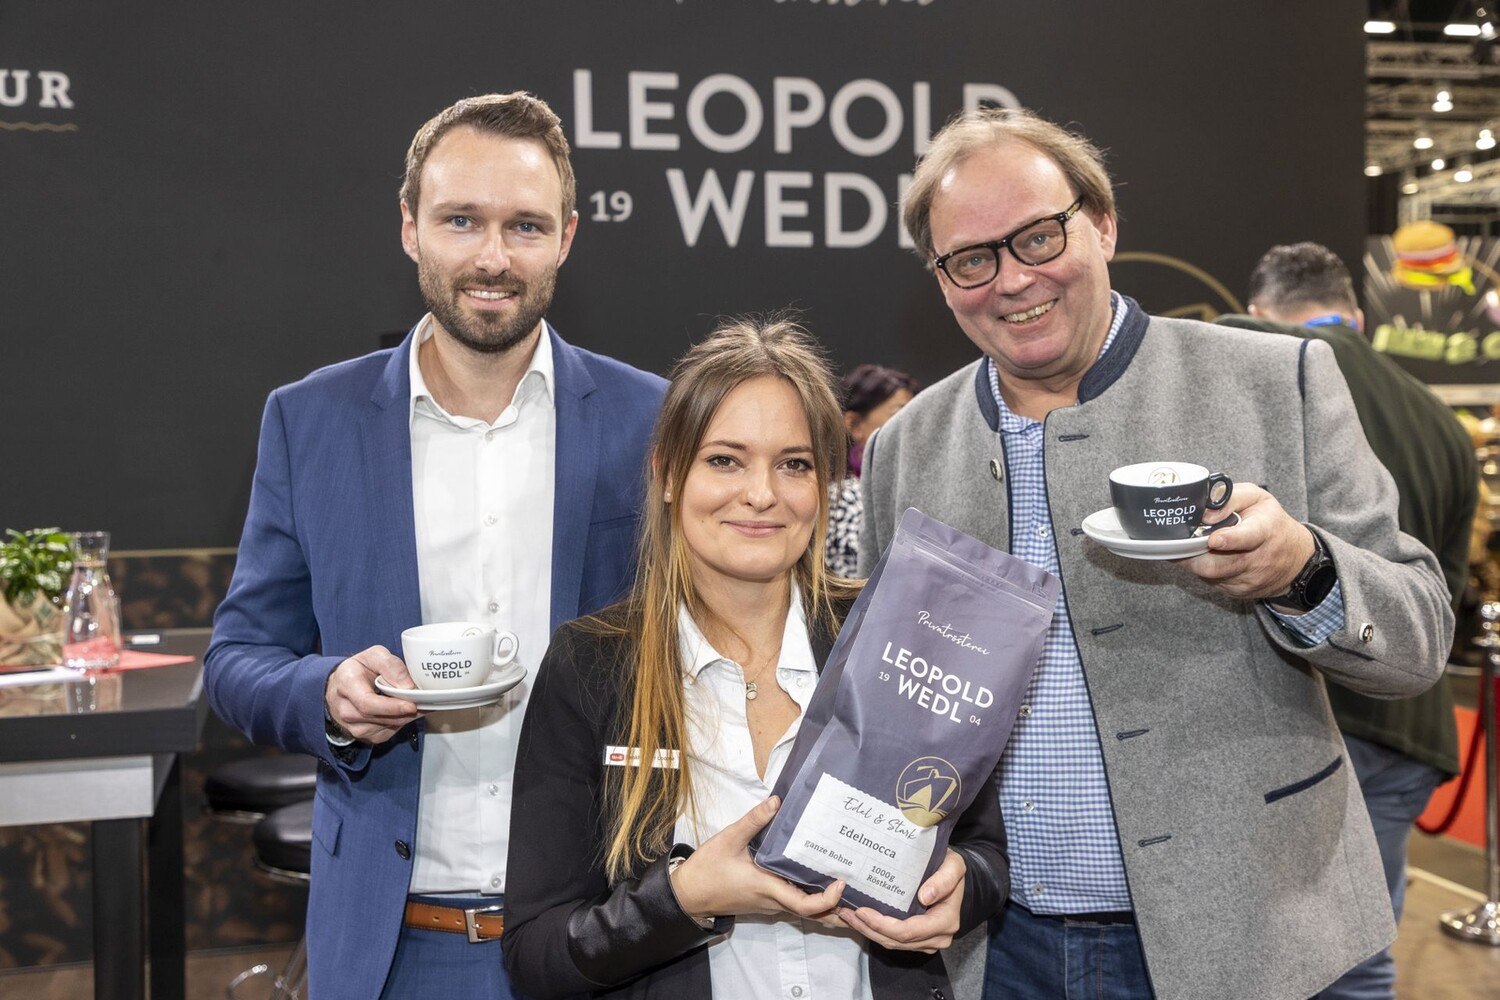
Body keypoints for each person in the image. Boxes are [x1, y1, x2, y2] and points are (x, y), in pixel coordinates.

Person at [859, 108, 1454, 1000]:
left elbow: (1418, 639)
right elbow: (895, 698)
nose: (1012, 280)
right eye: (971, 259)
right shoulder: (905, 448)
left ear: (1101, 223)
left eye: (1038, 236)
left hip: (1257, 936)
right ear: (942, 279)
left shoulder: (1274, 381)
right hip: (1003, 950)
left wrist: (1301, 569)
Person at [203, 92, 666, 1000]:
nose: (493, 257)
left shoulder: (651, 419)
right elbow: (236, 662)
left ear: (567, 237)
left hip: (601, 933)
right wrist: (328, 695)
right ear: (410, 227)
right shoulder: (311, 422)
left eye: (525, 226)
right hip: (392, 938)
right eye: (461, 220)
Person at [502, 318, 1010, 999]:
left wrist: (963, 890)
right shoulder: (591, 666)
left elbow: (983, 854)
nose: (763, 494)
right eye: (725, 460)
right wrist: (681, 899)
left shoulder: (891, 634)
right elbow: (537, 955)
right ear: (669, 474)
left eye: (794, 464)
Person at [1217, 241, 1477, 1000]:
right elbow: (1440, 594)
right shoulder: (1442, 422)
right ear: (1359, 315)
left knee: (1276, 962)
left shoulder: (1267, 362)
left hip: (1310, 715)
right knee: (1360, 950)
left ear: (1261, 313)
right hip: (1411, 724)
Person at [825, 364, 920, 577]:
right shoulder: (841, 499)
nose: (915, 427)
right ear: (854, 424)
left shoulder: (919, 489)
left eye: (918, 416)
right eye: (900, 415)